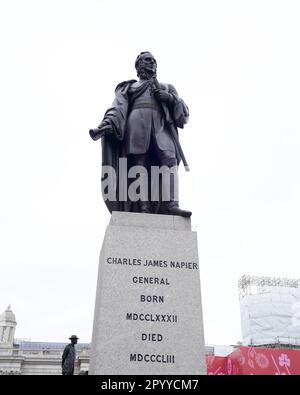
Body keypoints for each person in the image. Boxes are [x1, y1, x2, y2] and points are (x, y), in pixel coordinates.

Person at [89, 51, 191, 217]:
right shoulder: (129, 88)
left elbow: (183, 116)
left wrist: (171, 99)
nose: (150, 63)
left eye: (153, 60)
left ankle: (172, 204)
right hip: (136, 125)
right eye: (146, 60)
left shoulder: (167, 87)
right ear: (138, 66)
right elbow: (117, 109)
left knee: (169, 160)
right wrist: (107, 124)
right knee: (139, 165)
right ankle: (143, 207)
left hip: (160, 127)